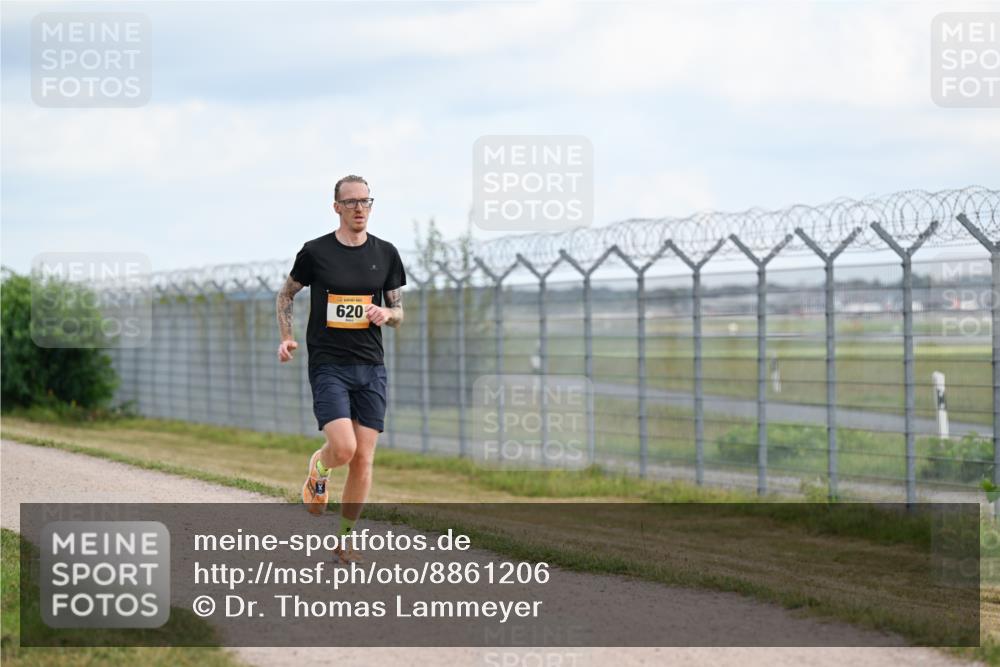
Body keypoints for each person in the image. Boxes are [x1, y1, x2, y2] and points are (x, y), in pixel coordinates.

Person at [276, 174, 406, 563]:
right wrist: (286, 336)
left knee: (364, 458)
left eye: (365, 201)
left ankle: (346, 539)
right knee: (344, 449)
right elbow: (286, 294)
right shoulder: (316, 252)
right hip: (329, 364)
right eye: (350, 202)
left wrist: (388, 313)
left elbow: (400, 311)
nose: (359, 208)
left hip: (371, 366)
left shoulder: (386, 254)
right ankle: (319, 465)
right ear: (337, 207)